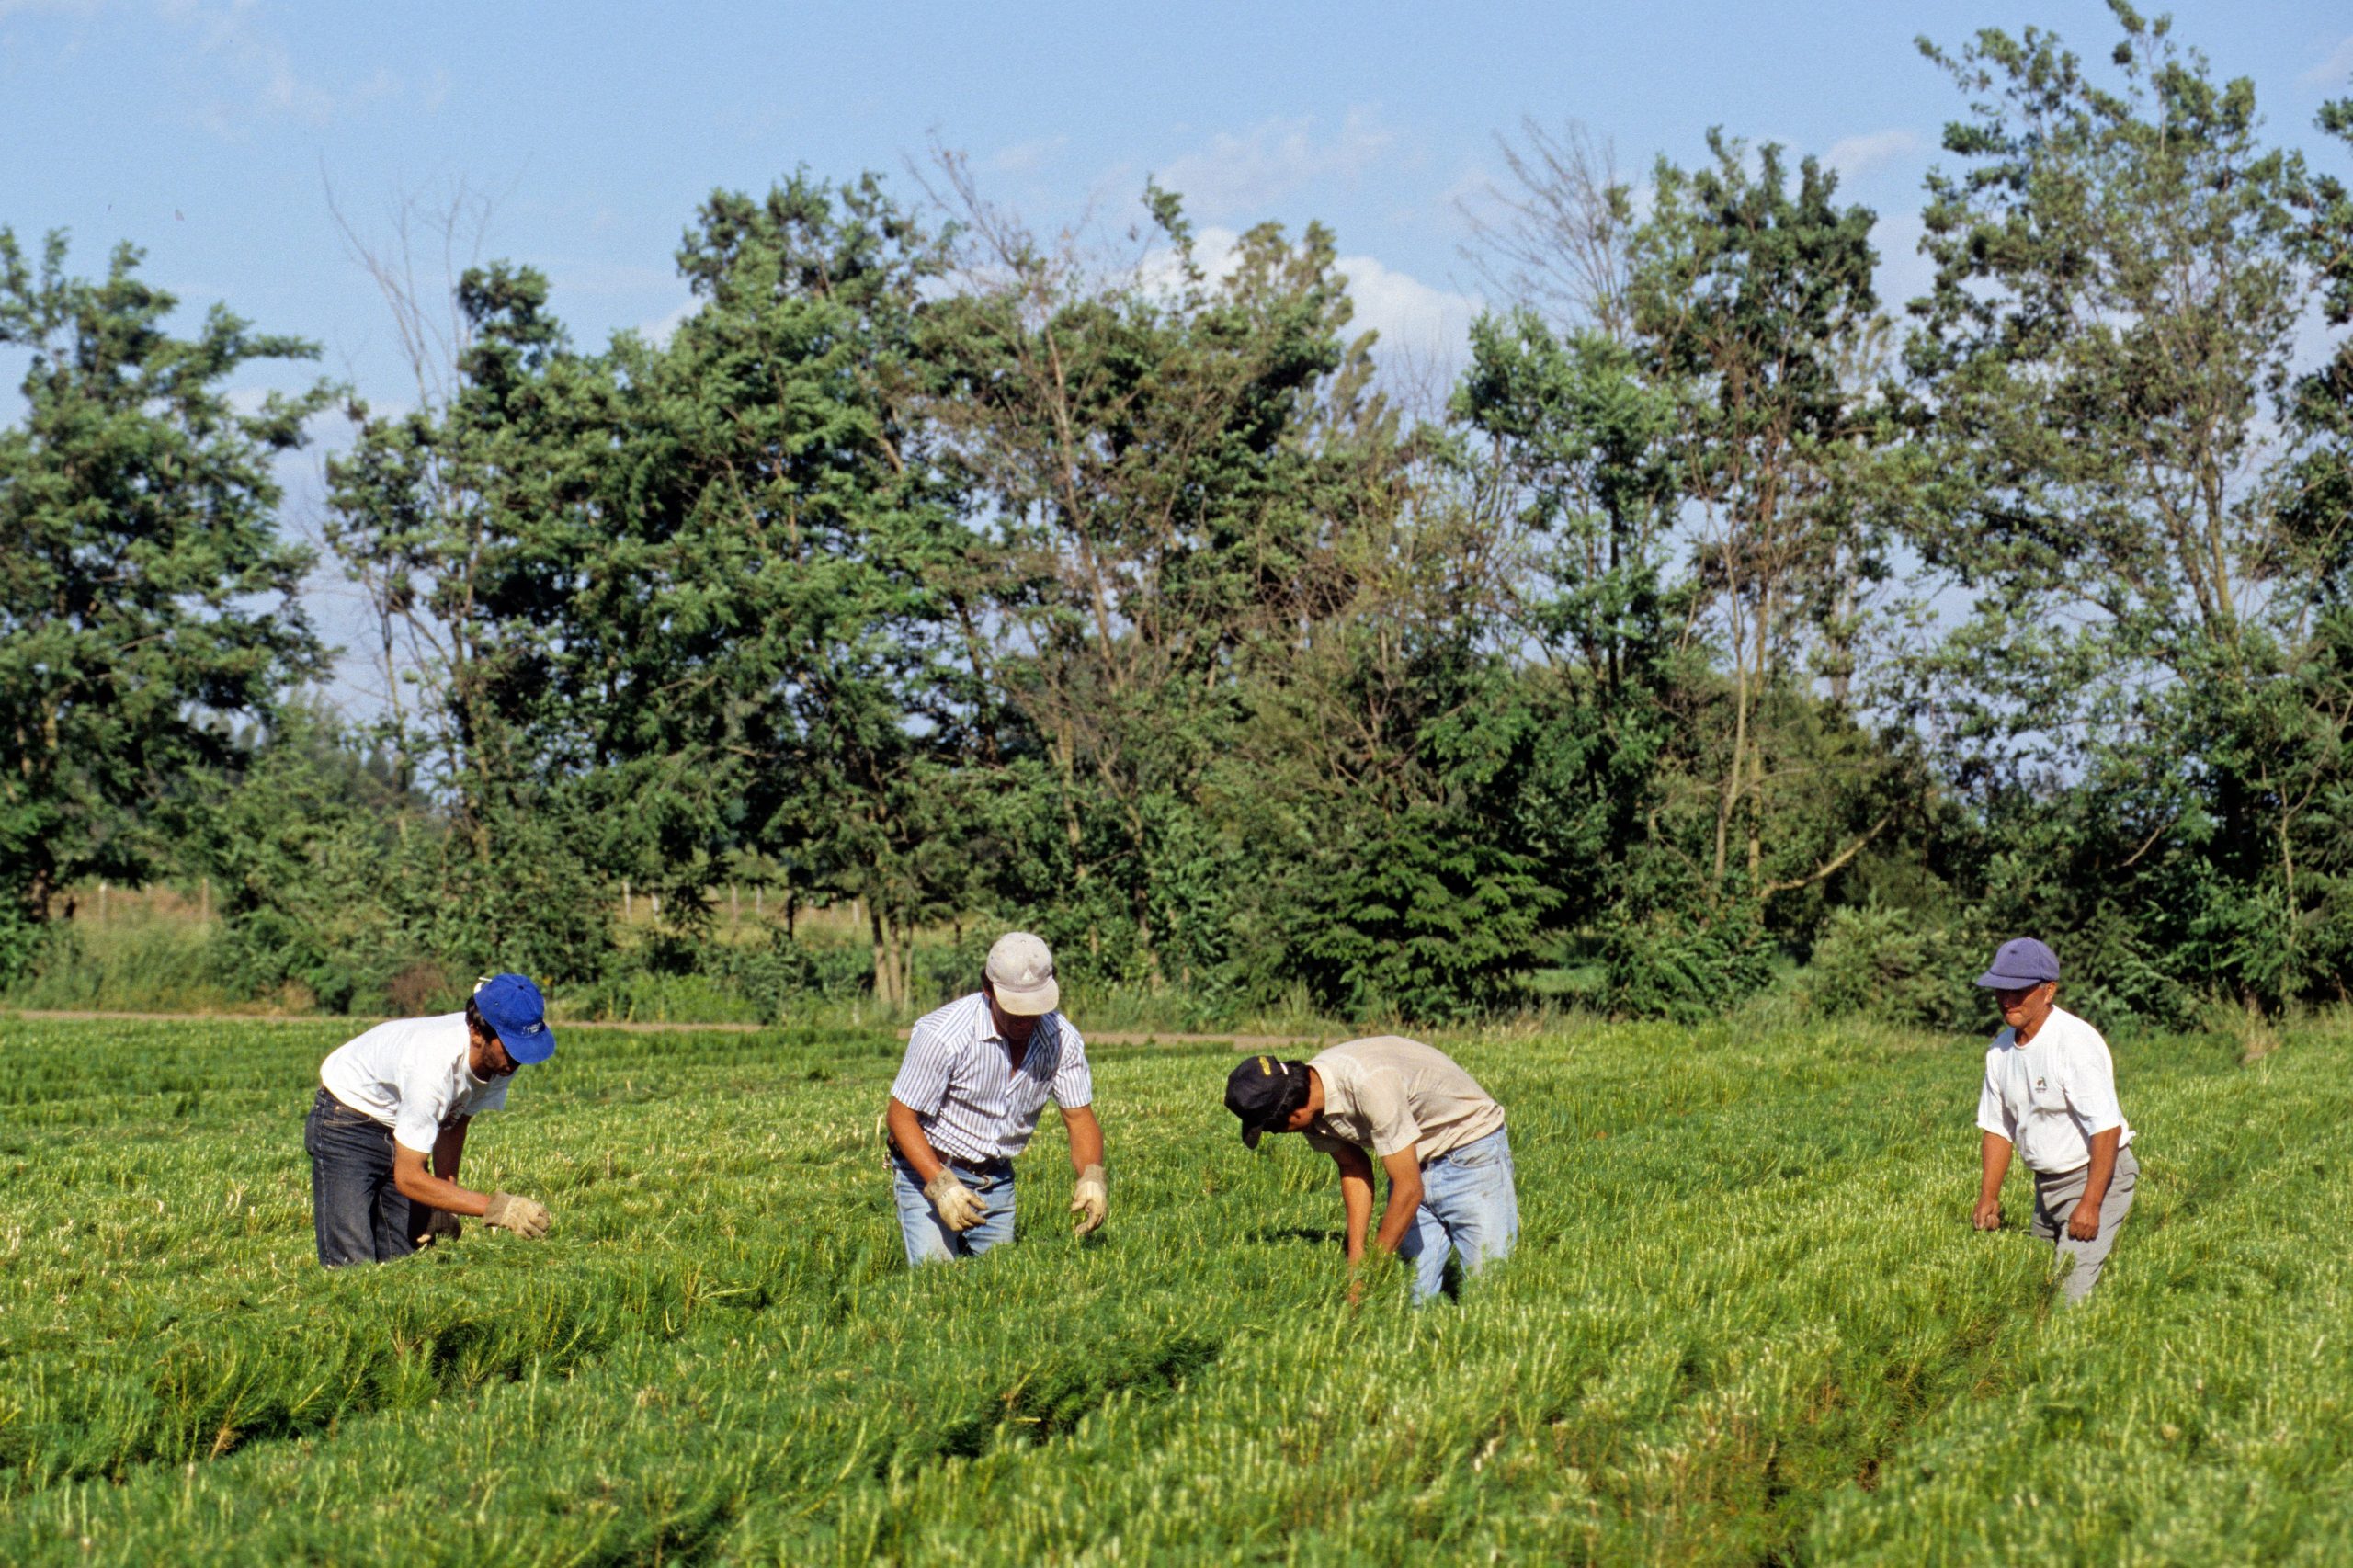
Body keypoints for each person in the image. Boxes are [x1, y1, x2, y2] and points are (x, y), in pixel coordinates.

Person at [1224, 1036, 1517, 1302]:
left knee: (1489, 1295)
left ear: (1294, 1113)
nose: (1274, 1135)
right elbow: (1353, 1167)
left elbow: (1409, 1189)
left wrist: (1370, 1273)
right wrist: (1356, 1256)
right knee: (1410, 1300)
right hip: (1410, 1161)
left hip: (1471, 1155)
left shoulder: (1369, 1085)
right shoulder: (1309, 1101)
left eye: (1271, 1128)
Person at [882, 932, 1107, 1265]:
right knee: (938, 1282)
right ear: (988, 989)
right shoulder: (943, 1035)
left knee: (996, 1285)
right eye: (1015, 1008)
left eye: (1035, 1007)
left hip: (996, 1178)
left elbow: (1079, 1119)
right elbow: (900, 1118)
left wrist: (1092, 1176)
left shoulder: (1063, 1040)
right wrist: (941, 1185)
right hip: (929, 1169)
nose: (1025, 1019)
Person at [305, 973, 558, 1267]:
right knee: (352, 1265)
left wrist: (445, 1197)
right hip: (347, 1117)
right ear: (477, 1032)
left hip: (404, 1119)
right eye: (512, 1045)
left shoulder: (502, 1062)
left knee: (406, 1260)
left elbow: (455, 1121)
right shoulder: (433, 1067)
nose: (519, 1059)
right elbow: (409, 1178)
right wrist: (497, 1208)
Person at [1970, 937, 2137, 1304]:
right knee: (2034, 1283)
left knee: (2066, 1294)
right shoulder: (1999, 1052)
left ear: (2048, 991)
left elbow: (2106, 1128)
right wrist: (1989, 1196)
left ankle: (2075, 1348)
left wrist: (2091, 1203)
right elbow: (1998, 1128)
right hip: (2047, 1187)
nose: (2007, 1000)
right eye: (2001, 990)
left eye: (2019, 991)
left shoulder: (2073, 1043)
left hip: (2096, 1176)